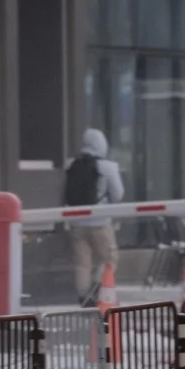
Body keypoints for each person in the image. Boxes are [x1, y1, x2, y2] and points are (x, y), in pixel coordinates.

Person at [64, 128, 124, 303]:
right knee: (109, 259)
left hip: (76, 222)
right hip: (100, 221)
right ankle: (100, 290)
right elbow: (118, 194)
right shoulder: (107, 167)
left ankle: (83, 297)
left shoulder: (71, 165)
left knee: (82, 263)